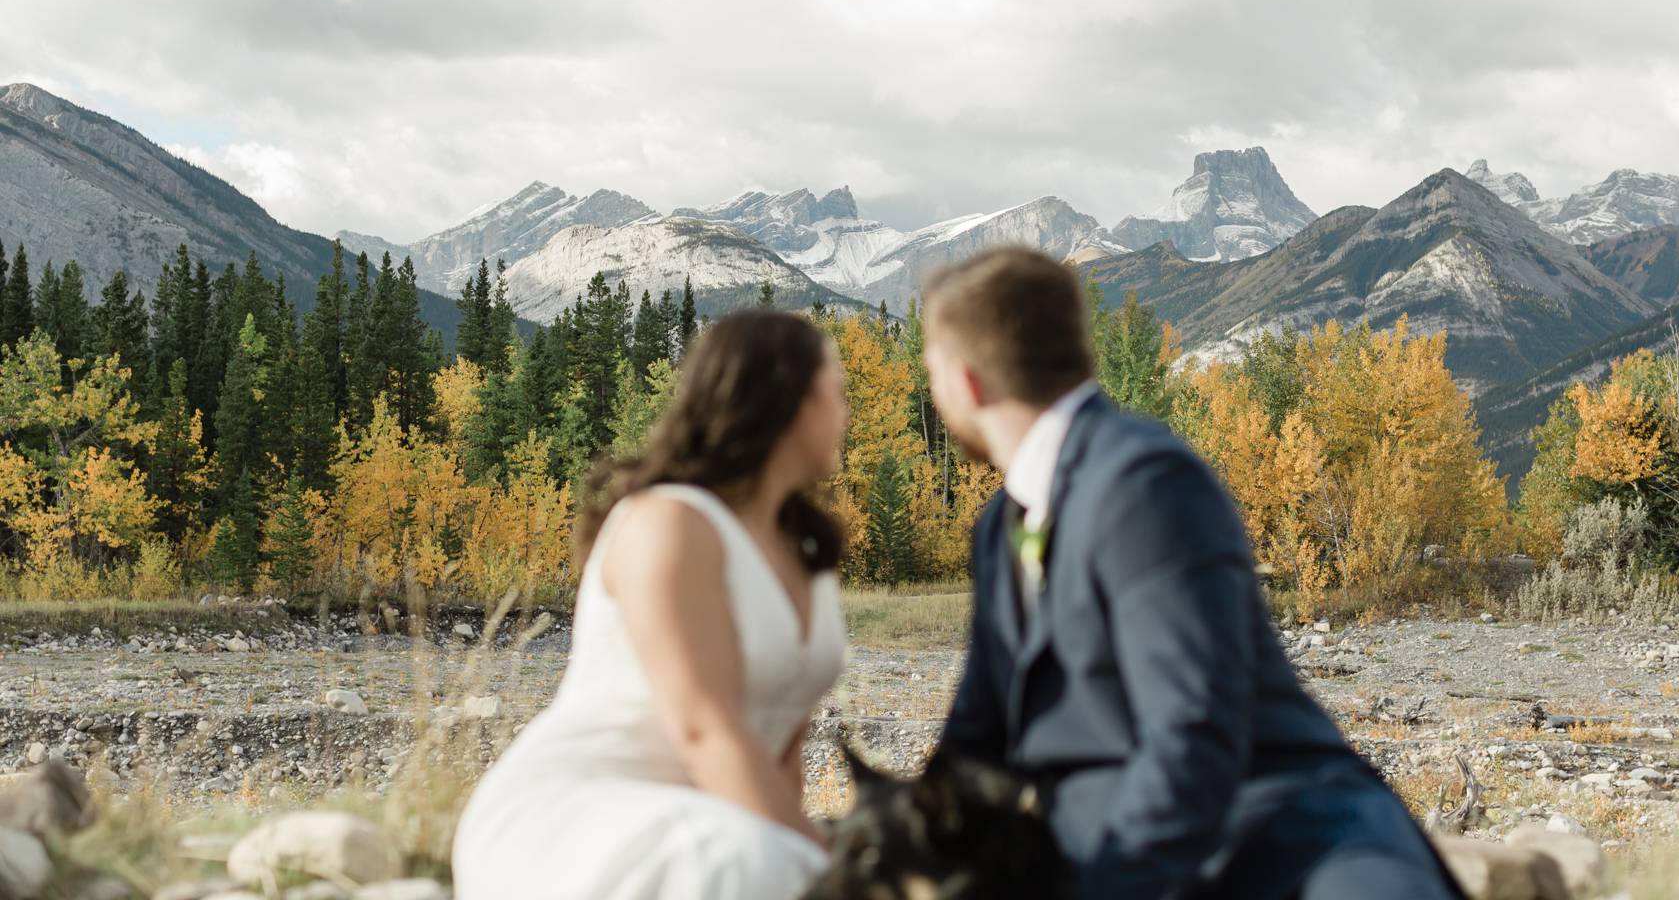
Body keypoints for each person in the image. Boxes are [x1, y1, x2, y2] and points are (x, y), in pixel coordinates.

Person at [922, 248, 1460, 900]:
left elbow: (1193, 737)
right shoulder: (1000, 528)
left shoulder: (1142, 482)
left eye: (930, 370)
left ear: (966, 381)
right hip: (1109, 860)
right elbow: (976, 739)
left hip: (1279, 851)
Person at [453, 310, 850, 900]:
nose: (846, 414)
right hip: (577, 816)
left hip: (721, 822)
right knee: (747, 865)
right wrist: (826, 871)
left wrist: (799, 851)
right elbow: (702, 729)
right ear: (787, 400)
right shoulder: (668, 524)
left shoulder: (805, 550)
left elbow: (783, 746)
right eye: (837, 393)